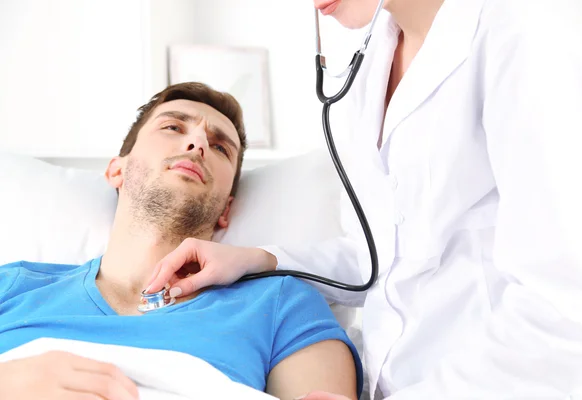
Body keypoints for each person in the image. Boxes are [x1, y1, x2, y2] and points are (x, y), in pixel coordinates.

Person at [145, 0, 582, 399]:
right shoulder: (369, 63)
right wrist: (257, 259)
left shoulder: (527, 34)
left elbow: (570, 310)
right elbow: (377, 256)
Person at [0, 82, 363, 400]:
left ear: (227, 209)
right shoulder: (12, 287)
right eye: (173, 127)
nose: (198, 142)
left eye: (221, 148)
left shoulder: (282, 305)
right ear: (117, 170)